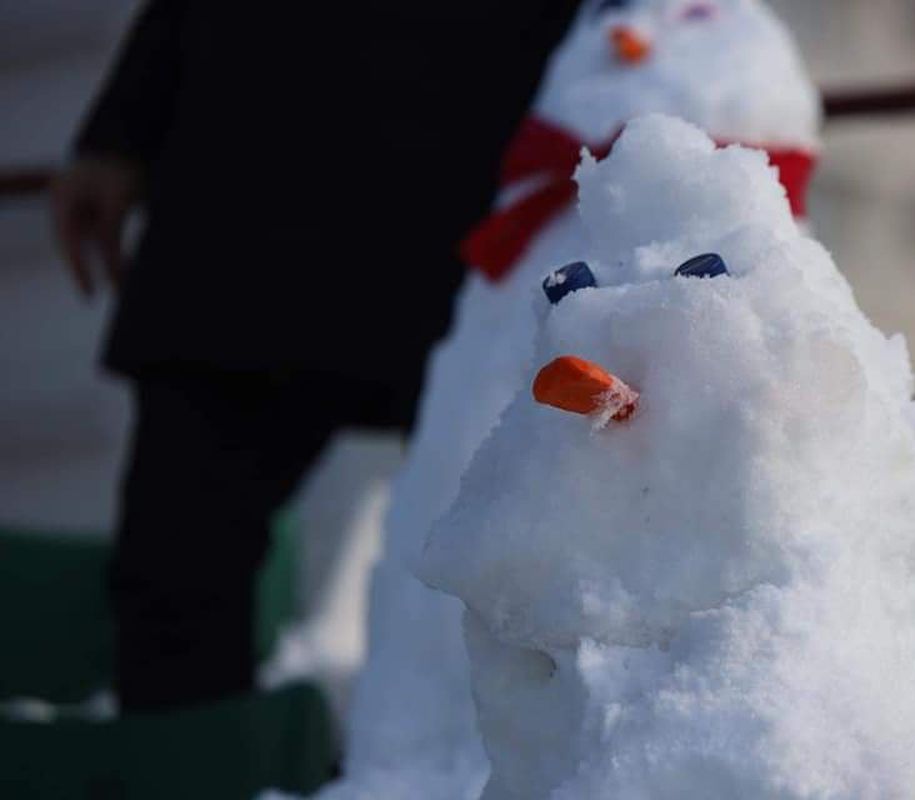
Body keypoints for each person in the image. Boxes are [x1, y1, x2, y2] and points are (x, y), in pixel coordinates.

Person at [51, 0, 581, 713]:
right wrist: (121, 129)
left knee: (519, 569)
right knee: (176, 568)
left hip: (482, 156)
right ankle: (188, 761)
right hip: (249, 157)